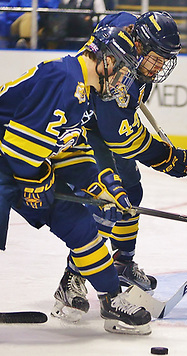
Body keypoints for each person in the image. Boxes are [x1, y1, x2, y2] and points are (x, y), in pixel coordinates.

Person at [0, 26, 153, 335]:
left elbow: (70, 147)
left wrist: (102, 184)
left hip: (26, 167)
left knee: (82, 226)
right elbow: (18, 146)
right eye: (124, 70)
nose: (125, 80)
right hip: (12, 164)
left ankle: (111, 299)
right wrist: (36, 182)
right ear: (107, 62)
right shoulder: (63, 78)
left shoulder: (85, 92)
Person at [50, 11, 187, 322]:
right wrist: (167, 157)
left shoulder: (133, 33)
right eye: (157, 58)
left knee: (132, 190)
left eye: (166, 60)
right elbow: (121, 139)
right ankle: (70, 278)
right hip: (85, 126)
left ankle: (122, 263)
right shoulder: (120, 70)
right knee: (108, 202)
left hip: (109, 118)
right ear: (140, 47)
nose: (160, 67)